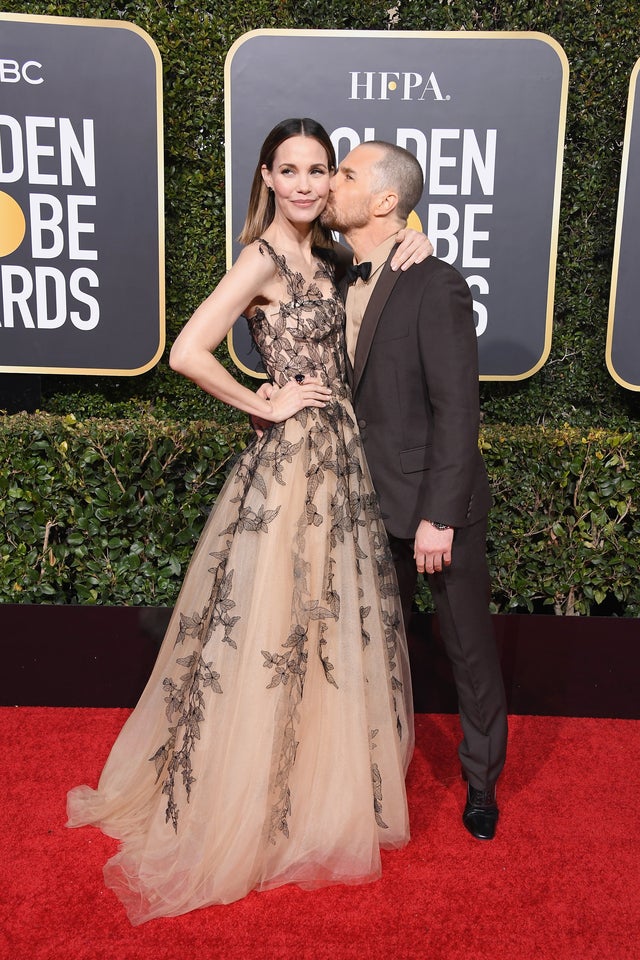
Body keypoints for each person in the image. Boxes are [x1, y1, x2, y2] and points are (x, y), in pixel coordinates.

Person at [66, 118, 432, 924]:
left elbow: (385, 264)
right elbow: (189, 351)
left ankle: (313, 792)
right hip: (294, 463)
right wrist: (261, 399)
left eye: (320, 170)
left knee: (328, 628)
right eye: (290, 170)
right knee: (272, 629)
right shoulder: (262, 260)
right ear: (266, 176)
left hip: (345, 462)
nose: (306, 184)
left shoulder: (330, 256)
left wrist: (417, 232)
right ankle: (253, 802)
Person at [319, 140, 508, 841]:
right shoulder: (333, 273)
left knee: (467, 650)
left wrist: (439, 518)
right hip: (359, 504)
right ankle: (372, 778)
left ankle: (481, 782)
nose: (330, 184)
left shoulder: (436, 281)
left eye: (346, 174)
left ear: (386, 200)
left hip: (430, 511)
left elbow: (458, 410)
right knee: (373, 650)